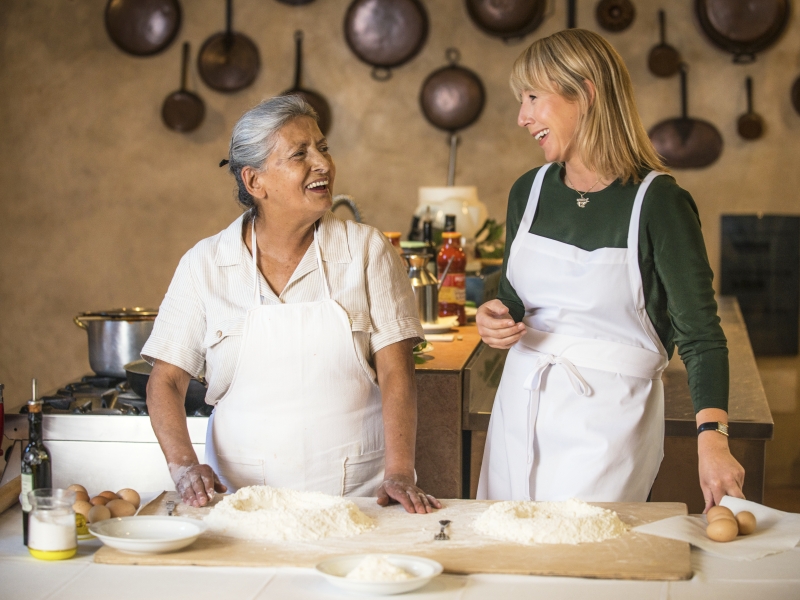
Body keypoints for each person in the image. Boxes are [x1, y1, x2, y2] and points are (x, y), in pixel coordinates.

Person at [476, 29, 744, 511]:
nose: (522, 117)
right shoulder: (529, 191)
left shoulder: (658, 203)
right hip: (521, 406)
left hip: (609, 424)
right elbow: (515, 301)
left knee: (582, 565)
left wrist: (714, 440)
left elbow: (702, 336)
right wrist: (494, 317)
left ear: (585, 92)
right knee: (505, 555)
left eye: (534, 97)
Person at [142, 95, 440, 514]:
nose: (322, 164)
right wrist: (186, 467)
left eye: (323, 148)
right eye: (300, 154)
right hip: (241, 500)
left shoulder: (366, 251)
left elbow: (397, 370)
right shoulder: (205, 265)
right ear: (254, 181)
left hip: (358, 497)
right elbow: (165, 381)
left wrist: (400, 473)